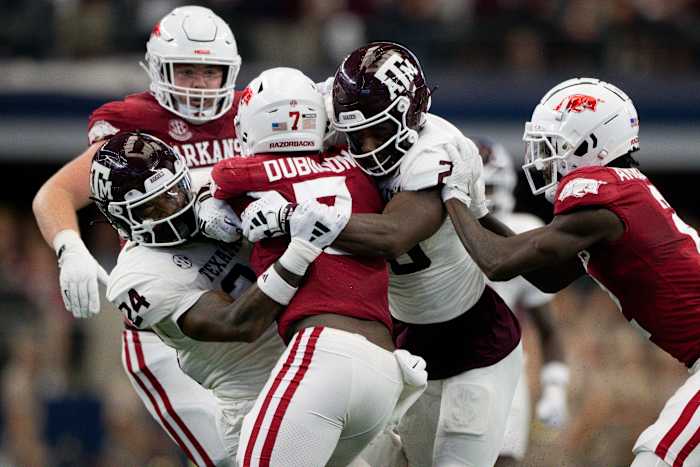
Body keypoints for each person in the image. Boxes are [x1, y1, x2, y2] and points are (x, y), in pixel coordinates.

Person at [236, 42, 523, 467]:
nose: (366, 146)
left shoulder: (436, 148)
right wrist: (216, 199)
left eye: (379, 130)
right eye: (357, 133)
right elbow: (255, 131)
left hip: (473, 342)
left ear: (413, 112)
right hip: (402, 338)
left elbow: (393, 236)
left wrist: (288, 215)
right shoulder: (331, 105)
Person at [441, 77, 700, 467]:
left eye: (552, 144)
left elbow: (496, 261)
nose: (543, 157)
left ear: (589, 143)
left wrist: (453, 198)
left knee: (657, 457)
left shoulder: (600, 198)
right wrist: (477, 210)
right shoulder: (622, 195)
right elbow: (547, 276)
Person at [32, 6, 248, 465]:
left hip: (246, 303)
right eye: (186, 69)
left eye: (210, 72)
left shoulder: (254, 111)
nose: (199, 83)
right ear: (157, 69)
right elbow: (54, 193)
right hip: (166, 317)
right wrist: (70, 248)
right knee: (230, 457)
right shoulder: (132, 124)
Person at [209, 67, 427, 467]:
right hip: (384, 370)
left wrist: (214, 209)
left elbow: (218, 183)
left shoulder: (241, 174)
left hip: (323, 352)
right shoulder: (359, 166)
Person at [91, 131, 346, 465]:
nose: (175, 208)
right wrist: (299, 250)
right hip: (256, 401)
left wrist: (231, 199)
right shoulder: (136, 278)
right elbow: (241, 323)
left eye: (175, 192)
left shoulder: (209, 183)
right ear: (120, 220)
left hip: (319, 363)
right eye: (151, 207)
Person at [472, 137, 570, 467]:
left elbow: (549, 329)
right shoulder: (428, 232)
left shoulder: (522, 233)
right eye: (477, 187)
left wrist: (554, 385)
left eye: (489, 186)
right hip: (434, 369)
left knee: (504, 461)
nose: (483, 197)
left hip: (503, 374)